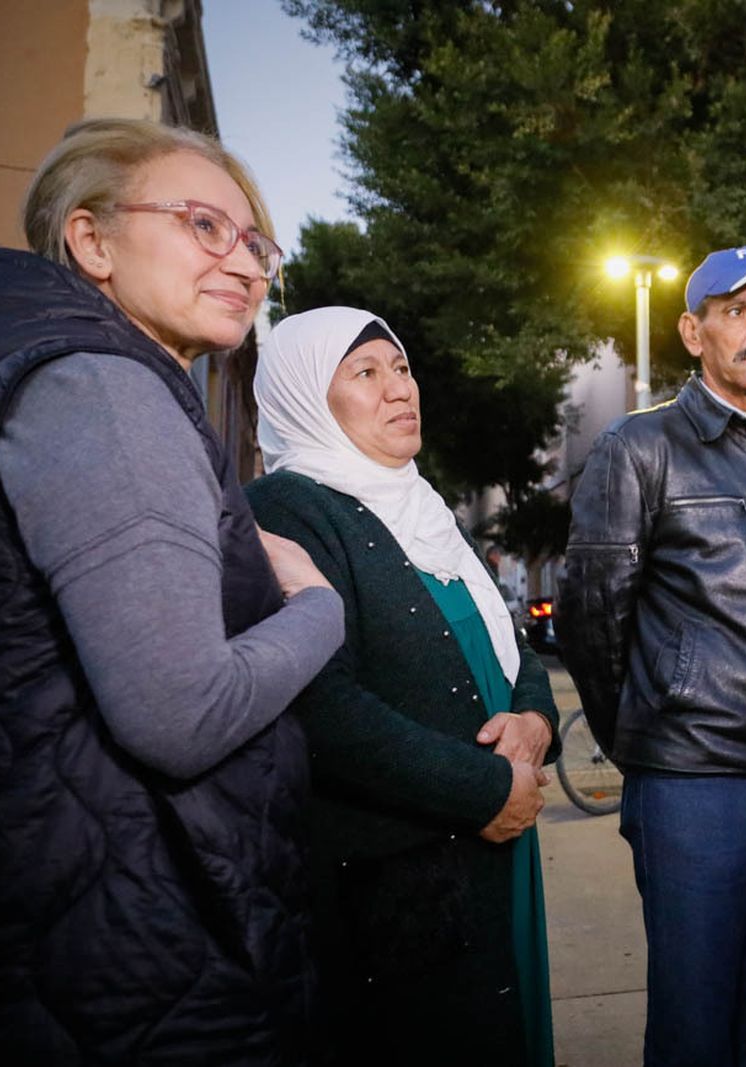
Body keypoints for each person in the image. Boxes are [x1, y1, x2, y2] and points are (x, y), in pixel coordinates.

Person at [0, 118, 345, 1064]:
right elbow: (181, 713)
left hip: (68, 921)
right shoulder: (103, 390)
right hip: (136, 946)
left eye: (256, 242)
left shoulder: (61, 377)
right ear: (92, 242)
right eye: (203, 225)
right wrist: (318, 607)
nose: (245, 264)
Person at [557, 245, 746, 1066]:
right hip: (697, 783)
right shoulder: (638, 446)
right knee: (695, 1027)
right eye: (738, 311)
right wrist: (650, 738)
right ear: (694, 332)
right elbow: (592, 618)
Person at [247, 307, 560, 1067]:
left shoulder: (423, 506)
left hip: (496, 836)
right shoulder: (288, 511)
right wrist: (485, 790)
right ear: (305, 398)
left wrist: (536, 718)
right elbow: (324, 708)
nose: (399, 389)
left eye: (402, 368)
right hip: (401, 872)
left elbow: (508, 639)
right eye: (365, 372)